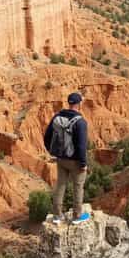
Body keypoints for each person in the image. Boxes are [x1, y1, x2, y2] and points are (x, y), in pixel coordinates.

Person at [44, 92, 90, 224]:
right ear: (79, 104)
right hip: (75, 161)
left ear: (69, 103)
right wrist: (83, 163)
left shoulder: (57, 117)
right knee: (78, 186)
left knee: (60, 185)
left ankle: (57, 216)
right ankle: (77, 216)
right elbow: (82, 145)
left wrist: (53, 151)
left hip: (61, 159)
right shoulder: (80, 122)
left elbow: (47, 136)